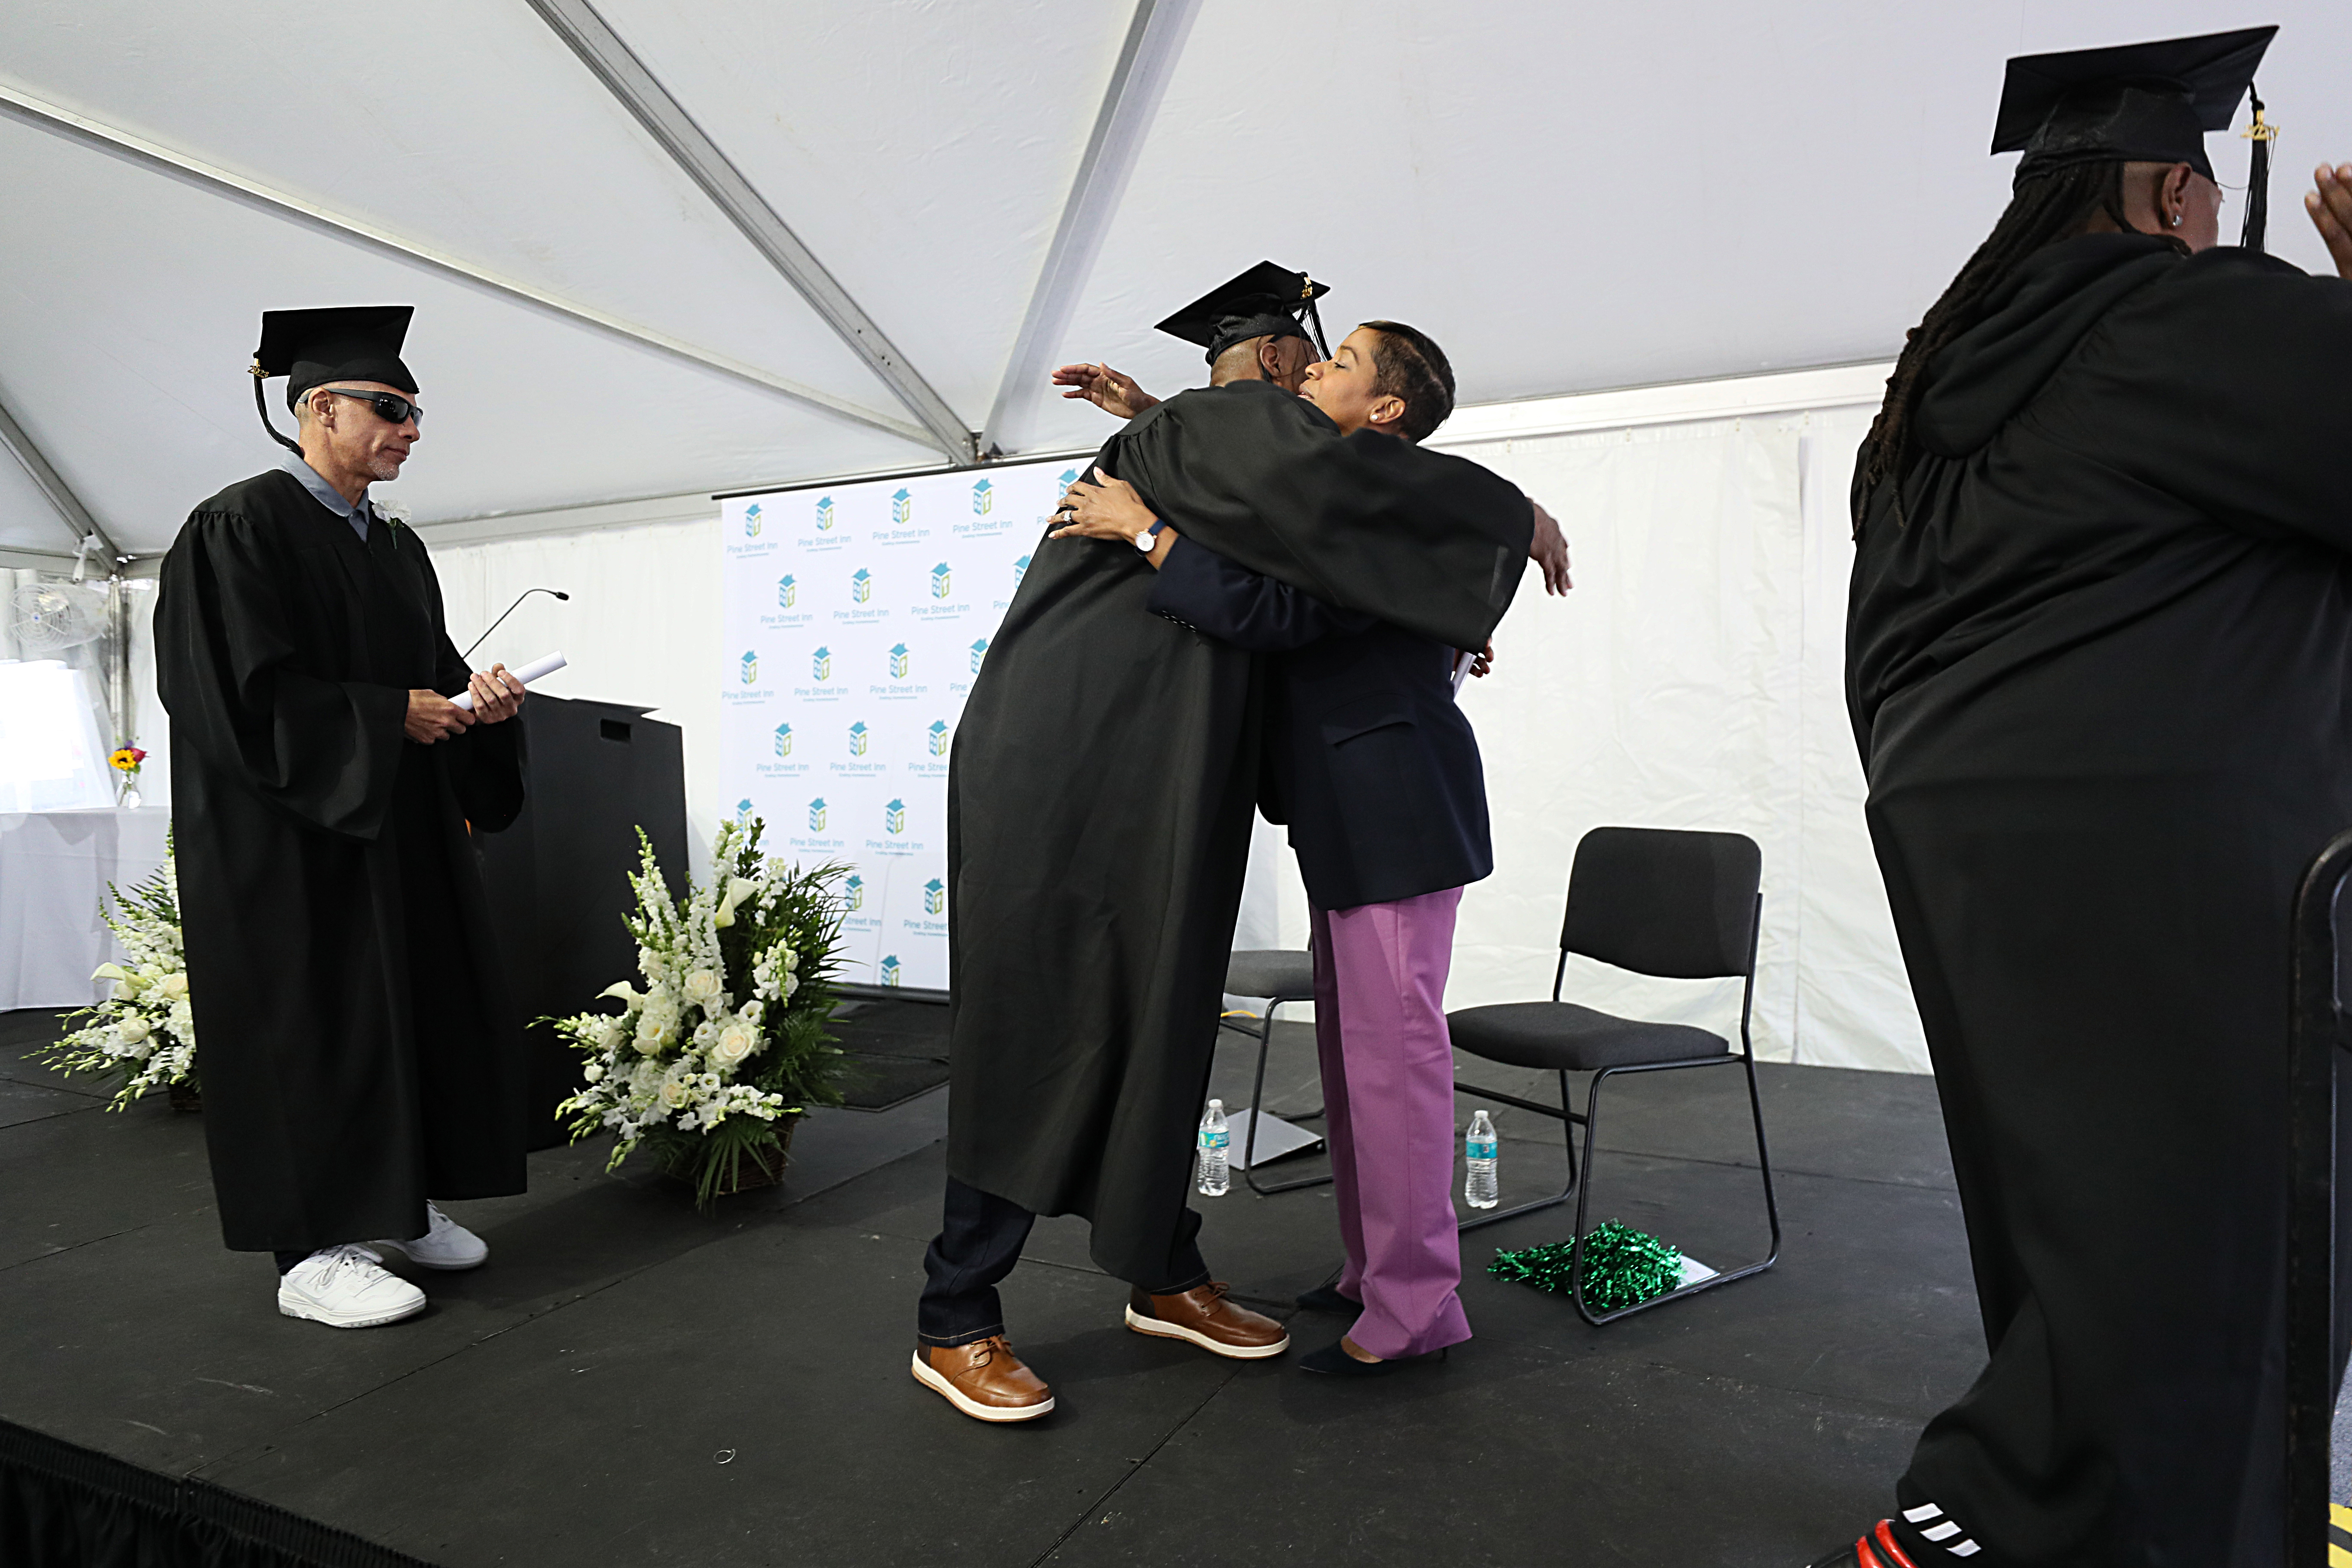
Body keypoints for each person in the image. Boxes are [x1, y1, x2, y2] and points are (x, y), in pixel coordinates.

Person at [1830, 27, 2352, 1567]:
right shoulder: (2176, 313)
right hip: (2189, 848)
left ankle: (2034, 1507)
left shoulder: (1928, 397)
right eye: (2195, 200)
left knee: (2081, 1233)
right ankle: (2086, 1525)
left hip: (1970, 842)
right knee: (2236, 1242)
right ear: (2169, 191)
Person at [917, 266, 1554, 1424]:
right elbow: (1307, 512)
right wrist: (1160, 440)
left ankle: (1179, 1270)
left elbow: (1320, 553)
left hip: (1225, 795)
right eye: (1306, 359)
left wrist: (1151, 475)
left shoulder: (1286, 489)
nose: (1313, 371)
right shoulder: (1240, 446)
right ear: (1267, 378)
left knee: (1173, 1030)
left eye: (1338, 364)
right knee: (1047, 1020)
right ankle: (957, 1310)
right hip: (1080, 780)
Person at [1054, 320, 1529, 1376]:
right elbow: (1254, 491)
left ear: (1389, 412)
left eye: (1341, 363)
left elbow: (1281, 611)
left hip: (1395, 813)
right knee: (1357, 1063)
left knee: (1395, 1067)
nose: (1314, 368)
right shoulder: (1344, 498)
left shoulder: (1383, 511)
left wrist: (1144, 531)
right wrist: (1146, 416)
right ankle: (1374, 1274)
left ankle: (1417, 1310)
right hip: (1354, 813)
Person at [156, 306, 531, 1331]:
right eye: (391, 408)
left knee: (406, 1008)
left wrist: (475, 705)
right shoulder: (237, 528)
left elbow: (429, 679)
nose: (412, 429)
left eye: (415, 412)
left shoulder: (395, 549)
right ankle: (310, 1248)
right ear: (318, 407)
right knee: (311, 1026)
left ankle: (394, 1209)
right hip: (287, 841)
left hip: (390, 831)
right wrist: (383, 715)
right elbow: (233, 699)